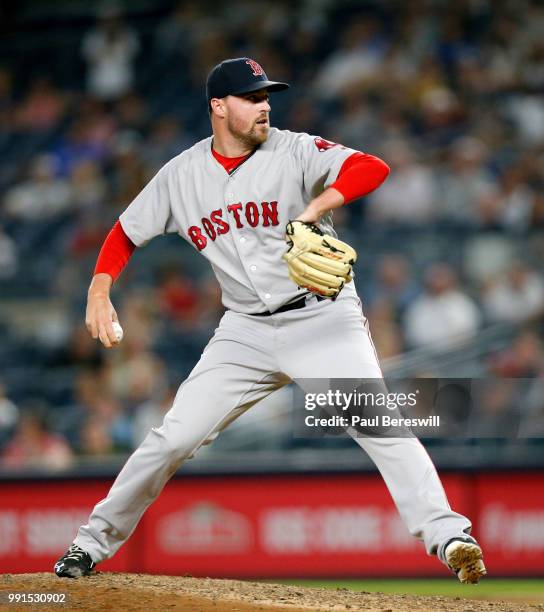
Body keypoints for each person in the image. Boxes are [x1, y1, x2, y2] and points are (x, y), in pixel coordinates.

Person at [54, 58, 486, 583]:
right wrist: (100, 289)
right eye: (251, 98)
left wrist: (315, 208)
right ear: (218, 107)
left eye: (266, 96)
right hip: (244, 332)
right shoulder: (182, 175)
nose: (264, 106)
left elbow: (372, 167)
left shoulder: (294, 149)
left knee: (382, 425)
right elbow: (125, 233)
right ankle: (88, 546)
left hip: (323, 319)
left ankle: (450, 537)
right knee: (171, 439)